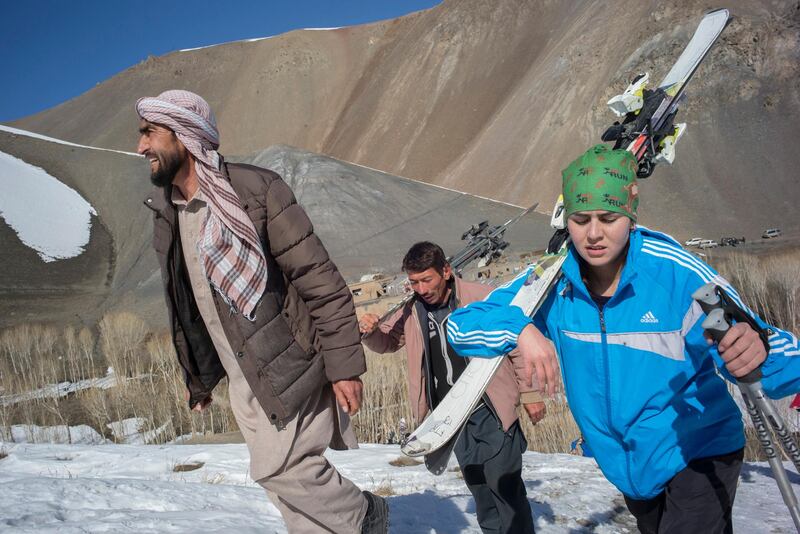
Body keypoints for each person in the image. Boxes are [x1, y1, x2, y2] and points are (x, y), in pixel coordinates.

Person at [446, 144, 800, 533]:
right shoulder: (549, 281)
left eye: (608, 217)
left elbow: (753, 338)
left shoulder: (676, 272)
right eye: (581, 219)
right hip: (631, 469)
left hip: (699, 452)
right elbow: (461, 325)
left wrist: (756, 346)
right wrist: (520, 329)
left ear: (630, 217)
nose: (594, 233)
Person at [137, 90, 388, 534]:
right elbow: (189, 304)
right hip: (242, 377)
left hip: (291, 362)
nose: (141, 147)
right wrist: (199, 378)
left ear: (185, 137)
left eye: (150, 133)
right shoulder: (169, 213)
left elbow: (319, 279)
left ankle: (365, 515)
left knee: (282, 470)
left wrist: (345, 366)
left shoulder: (256, 190)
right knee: (285, 495)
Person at [360, 241, 545, 534]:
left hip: (490, 405)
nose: (420, 289)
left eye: (426, 280)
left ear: (446, 271)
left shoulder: (482, 298)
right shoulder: (412, 311)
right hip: (451, 414)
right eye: (414, 282)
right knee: (479, 486)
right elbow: (388, 342)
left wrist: (531, 393)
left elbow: (515, 345)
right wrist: (369, 333)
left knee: (504, 482)